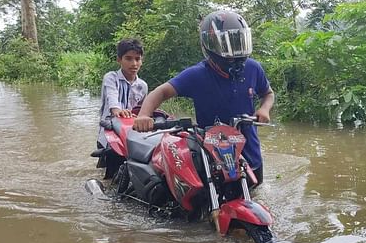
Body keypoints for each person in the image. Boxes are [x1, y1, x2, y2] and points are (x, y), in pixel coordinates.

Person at [133, 10, 275, 184]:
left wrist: (264, 109)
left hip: (250, 154)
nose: (235, 54)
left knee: (253, 197)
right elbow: (160, 92)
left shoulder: (253, 68)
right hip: (211, 157)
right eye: (227, 45)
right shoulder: (197, 75)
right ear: (211, 45)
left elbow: (268, 93)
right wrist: (144, 115)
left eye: (238, 42)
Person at [96, 38, 148, 178]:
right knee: (110, 178)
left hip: (131, 136)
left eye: (137, 59)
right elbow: (113, 101)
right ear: (119, 60)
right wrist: (118, 111)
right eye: (128, 59)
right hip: (110, 136)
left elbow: (142, 111)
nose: (134, 63)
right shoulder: (111, 78)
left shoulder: (142, 86)